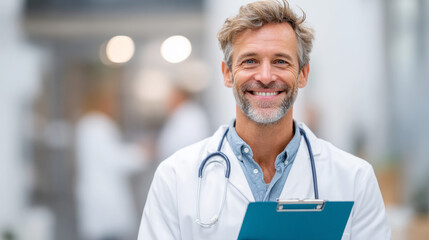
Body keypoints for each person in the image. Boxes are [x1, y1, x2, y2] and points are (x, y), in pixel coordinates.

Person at [137, 0, 391, 239]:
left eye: (281, 61)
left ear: (303, 74)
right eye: (250, 61)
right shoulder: (175, 177)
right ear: (227, 74)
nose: (266, 76)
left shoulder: (354, 178)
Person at [75, 80, 149, 240]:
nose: (114, 106)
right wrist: (143, 152)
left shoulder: (86, 125)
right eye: (111, 101)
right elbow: (116, 160)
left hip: (97, 198)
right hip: (104, 201)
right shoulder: (99, 125)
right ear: (101, 102)